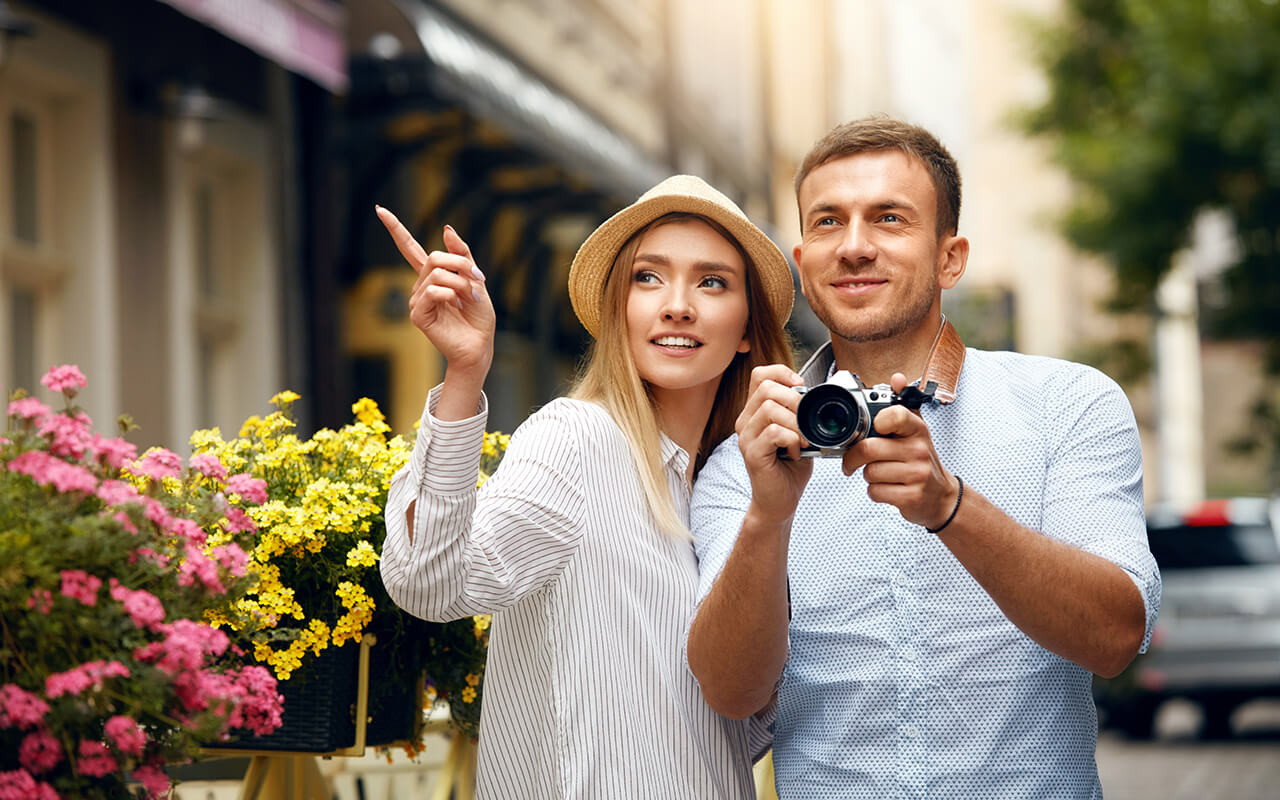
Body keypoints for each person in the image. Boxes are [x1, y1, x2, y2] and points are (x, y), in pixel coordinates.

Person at [685, 117, 1162, 798]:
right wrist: (768, 515)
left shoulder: (1068, 404)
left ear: (950, 258)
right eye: (827, 222)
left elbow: (1116, 636)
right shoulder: (746, 456)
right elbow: (731, 692)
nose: (853, 247)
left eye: (888, 218)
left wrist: (951, 507)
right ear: (802, 258)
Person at [377, 175, 795, 799]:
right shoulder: (577, 440)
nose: (677, 304)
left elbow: (735, 720)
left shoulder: (730, 486)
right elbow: (429, 581)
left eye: (712, 282)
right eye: (647, 277)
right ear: (616, 311)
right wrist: (465, 375)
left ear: (744, 332)